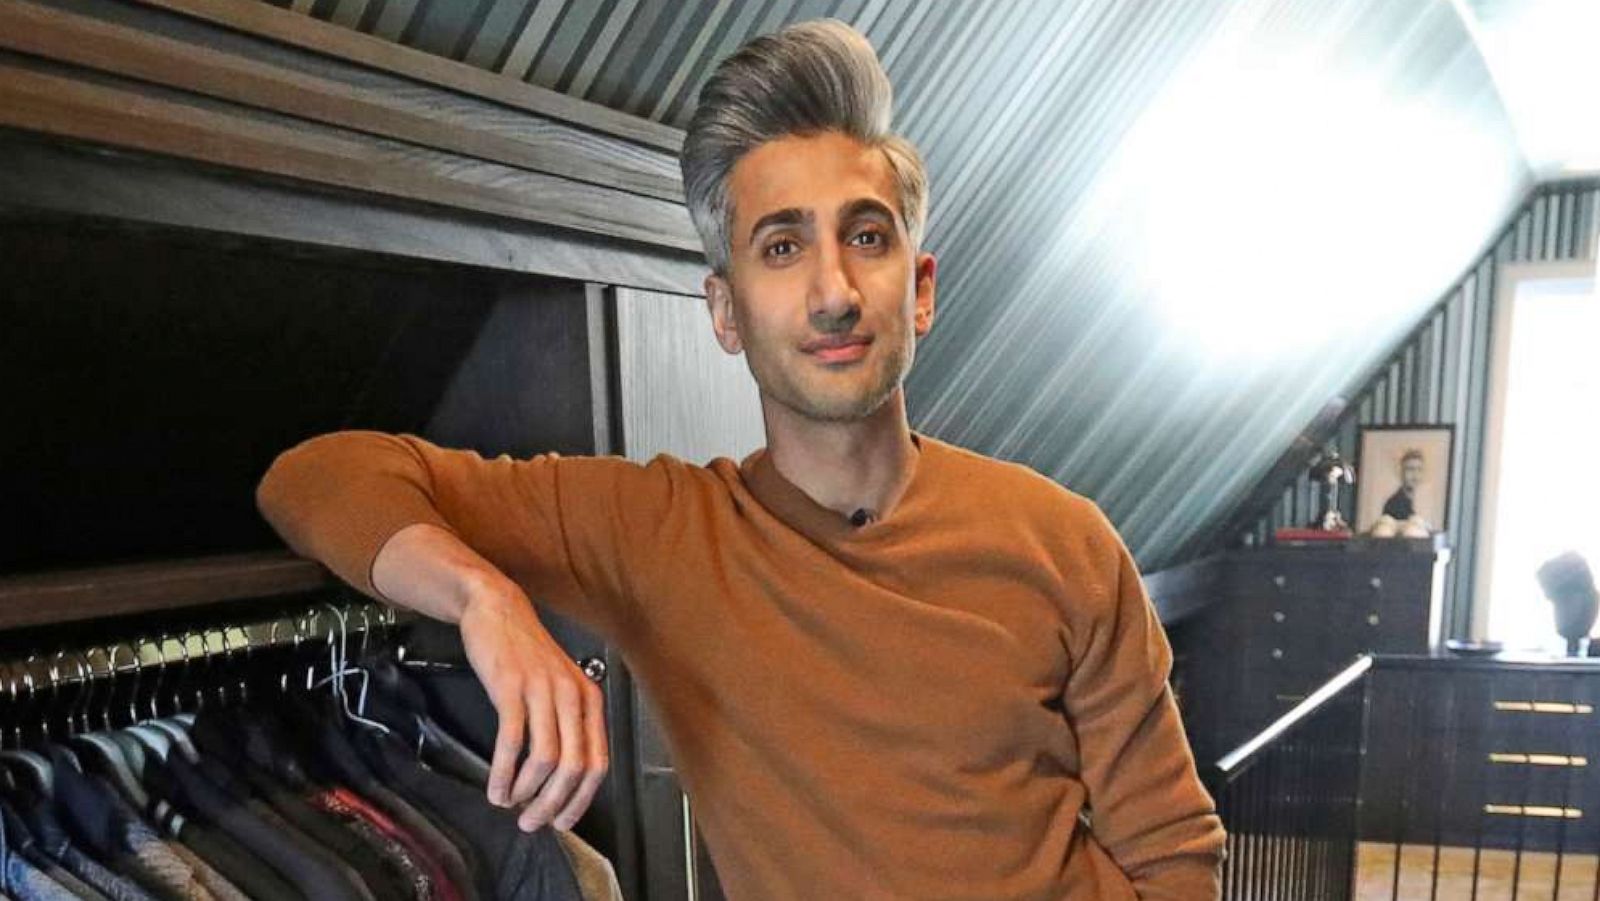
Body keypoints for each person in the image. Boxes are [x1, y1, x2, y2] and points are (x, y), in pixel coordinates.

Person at [257, 19, 1224, 900]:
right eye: (781, 246)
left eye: (867, 237)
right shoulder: (662, 532)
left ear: (919, 290)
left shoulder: (1063, 539)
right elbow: (314, 475)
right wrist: (482, 598)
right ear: (726, 311)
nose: (834, 290)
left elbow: (1174, 854)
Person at [1371, 448, 1431, 538]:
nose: (1415, 475)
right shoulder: (1394, 504)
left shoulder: (1415, 501)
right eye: (1410, 469)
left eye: (1419, 470)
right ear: (1401, 472)